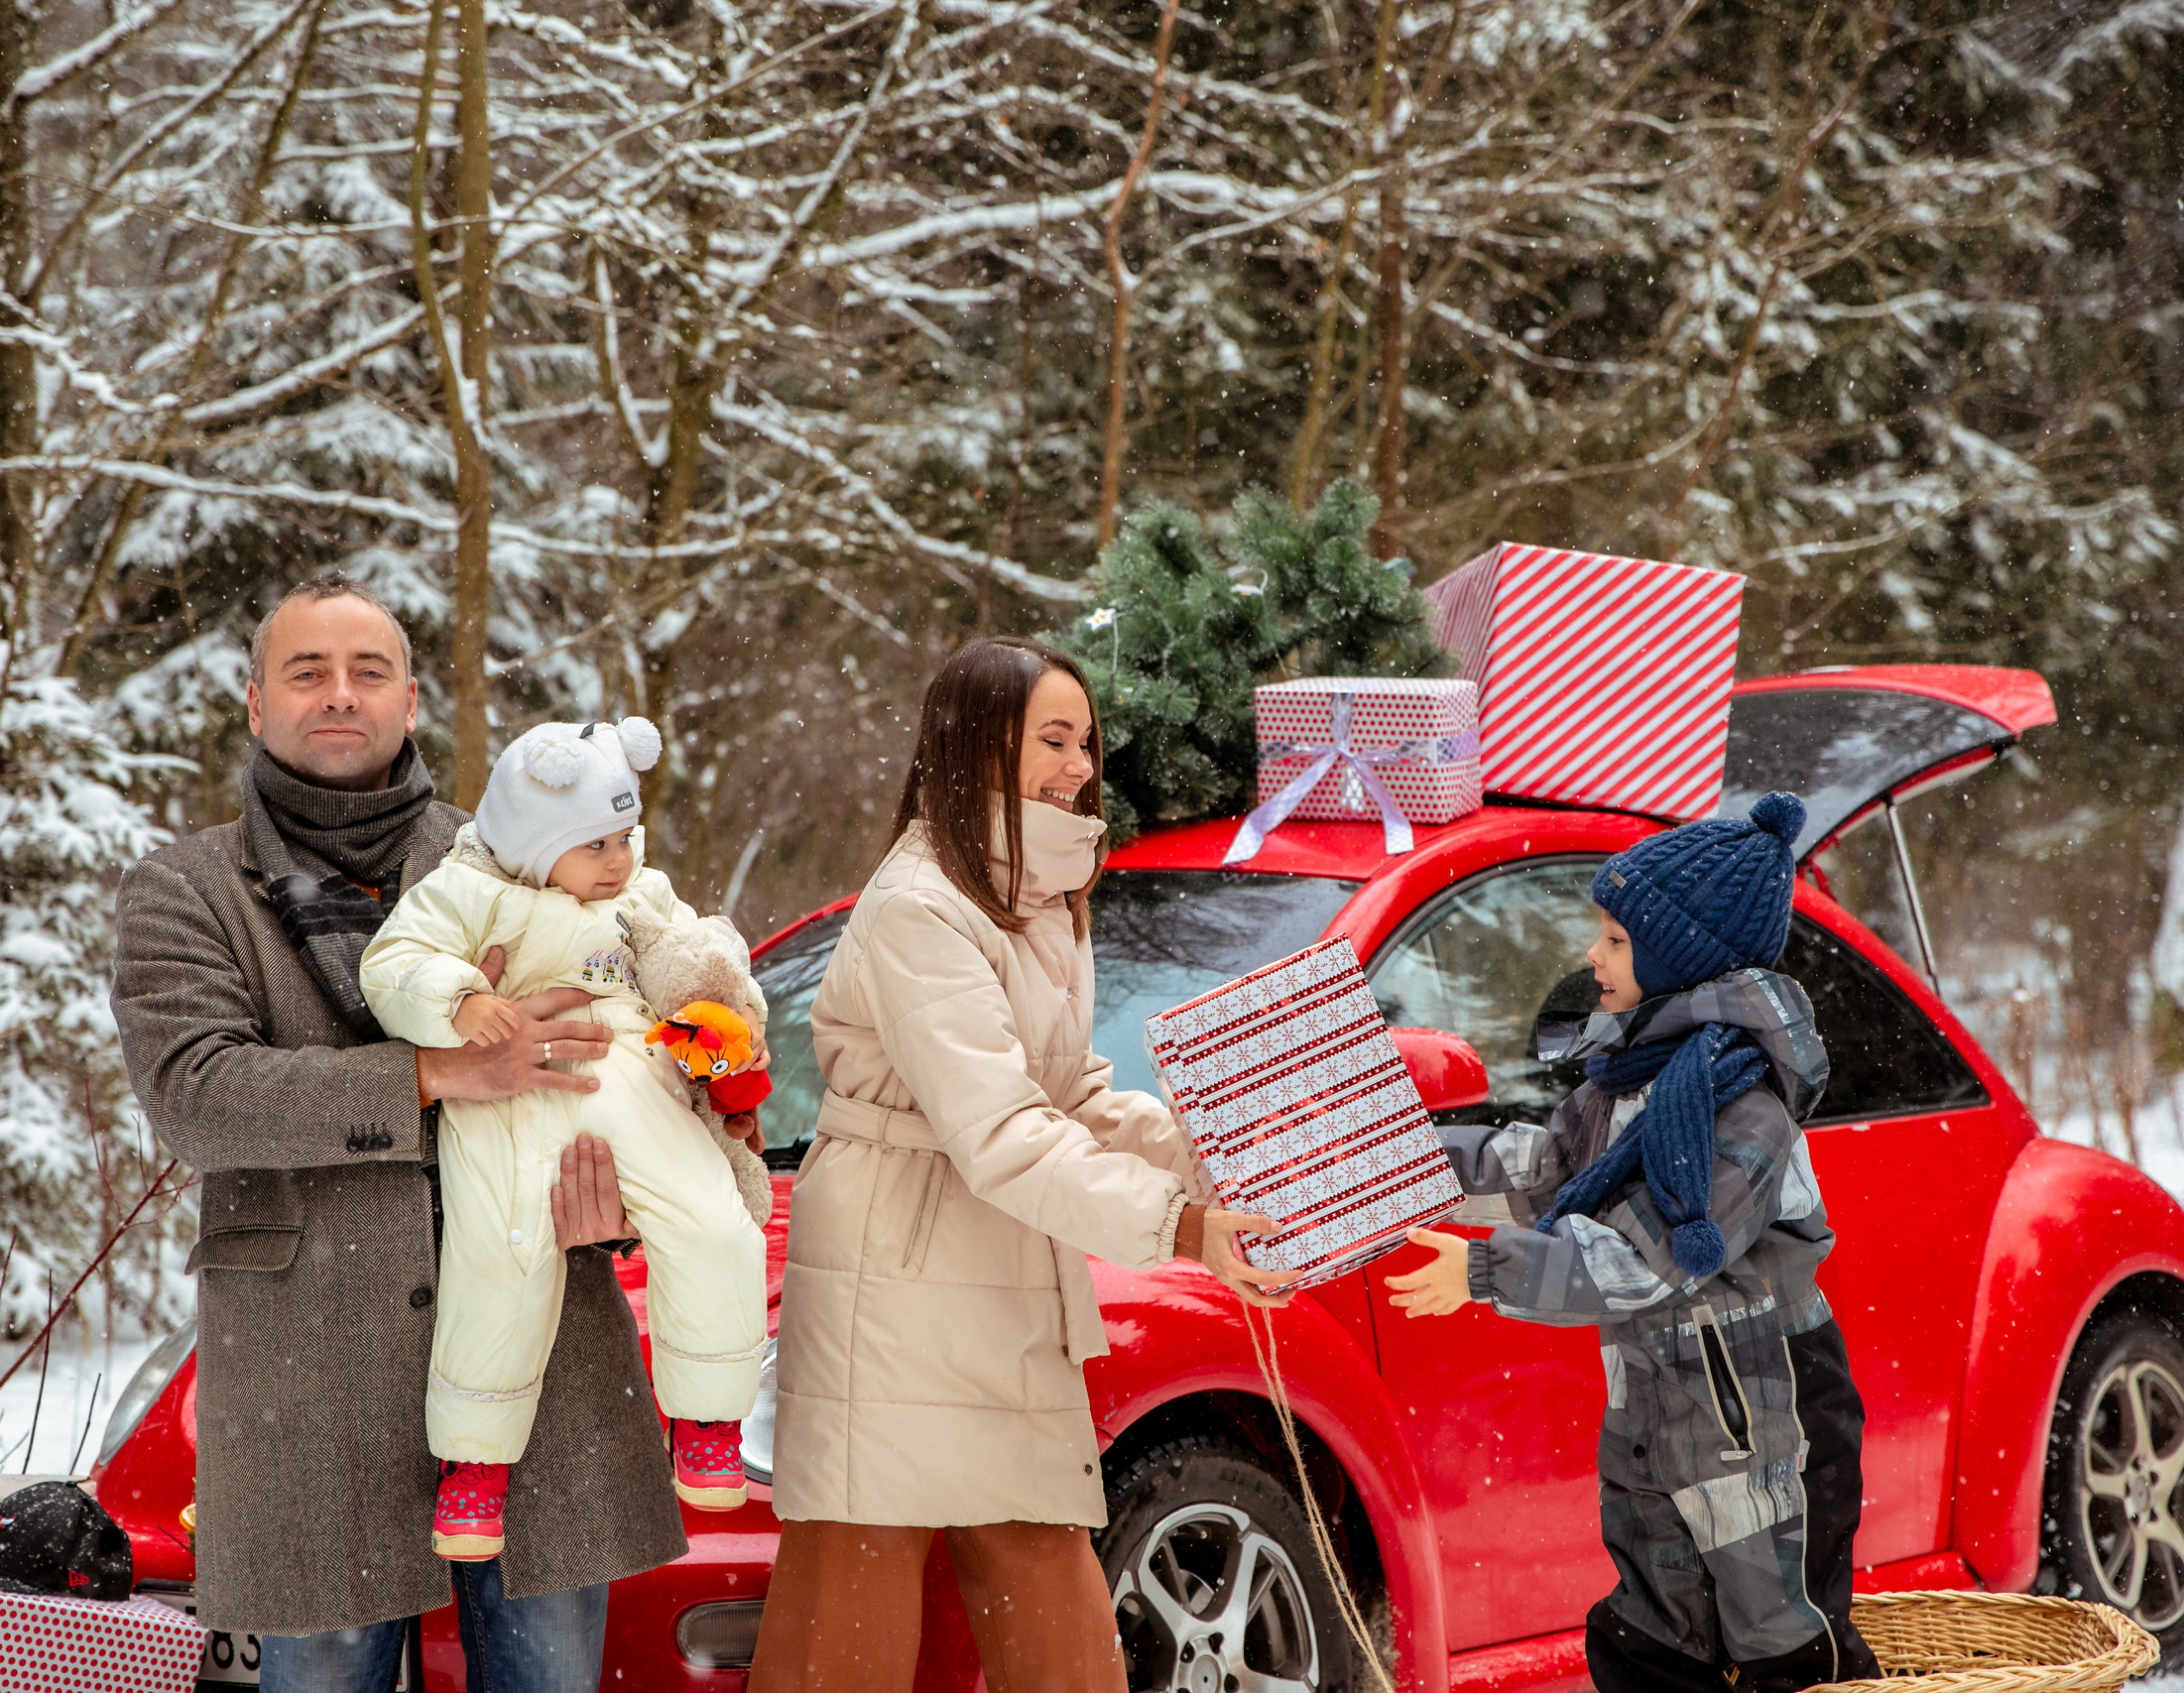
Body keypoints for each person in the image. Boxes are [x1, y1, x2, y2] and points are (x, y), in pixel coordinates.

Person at [111, 574, 686, 1693]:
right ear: (255, 702)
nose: (340, 695)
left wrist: (624, 1176)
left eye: (368, 672)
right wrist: (432, 1070)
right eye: (308, 672)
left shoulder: (521, 854)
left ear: (412, 701)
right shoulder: (186, 887)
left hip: (542, 1352)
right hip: (306, 1368)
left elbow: (629, 1034)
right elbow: (196, 1092)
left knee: (549, 1678)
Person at [748, 636, 1303, 1693]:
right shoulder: (921, 906)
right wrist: (1181, 1232)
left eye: (1085, 742)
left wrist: (1213, 1163)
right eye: (1053, 739)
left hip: (996, 1276)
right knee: (852, 1601)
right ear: (977, 746)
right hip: (894, 1286)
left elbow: (1072, 1095)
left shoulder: (1038, 896)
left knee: (1048, 1597)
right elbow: (1000, 1130)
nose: (1080, 766)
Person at [1383, 792, 1881, 1693]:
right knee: (1649, 1645)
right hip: (1661, 1411)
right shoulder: (1630, 1079)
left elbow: (1645, 1257)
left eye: (1614, 939)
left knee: (1783, 1647)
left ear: (1678, 953)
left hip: (1766, 1412)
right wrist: (1404, 1163)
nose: (1591, 956)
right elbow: (1543, 1163)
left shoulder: (1746, 1105)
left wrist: (1488, 1268)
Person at [359, 717, 770, 1554]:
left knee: (715, 1219)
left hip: (636, 1080)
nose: (618, 859)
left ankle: (707, 1418)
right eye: (594, 844)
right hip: (510, 1093)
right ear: (530, 844)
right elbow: (394, 960)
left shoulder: (639, 895)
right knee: (497, 1266)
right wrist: (461, 999)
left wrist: (719, 1012)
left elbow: (697, 954)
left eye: (625, 835)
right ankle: (474, 1469)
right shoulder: (467, 891)